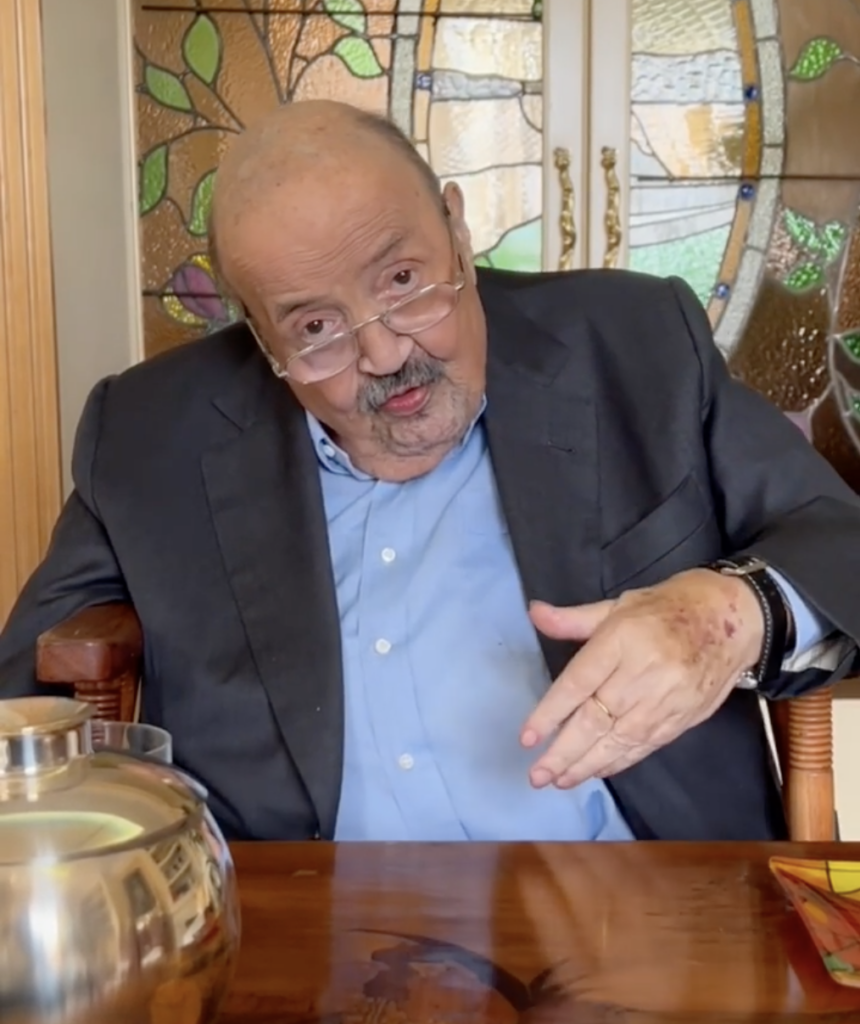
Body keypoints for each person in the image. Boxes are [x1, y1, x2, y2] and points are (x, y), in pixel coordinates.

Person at [1, 101, 859, 842]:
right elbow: (17, 712)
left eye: (403, 280)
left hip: (642, 908)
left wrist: (726, 615)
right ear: (262, 339)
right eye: (314, 329)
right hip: (294, 927)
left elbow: (840, 545)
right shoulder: (150, 434)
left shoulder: (633, 343)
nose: (382, 352)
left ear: (457, 228)